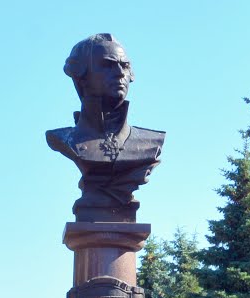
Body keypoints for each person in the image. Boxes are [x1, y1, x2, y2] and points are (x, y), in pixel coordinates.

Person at [46, 34, 165, 221]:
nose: (120, 73)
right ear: (81, 77)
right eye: (108, 65)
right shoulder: (64, 140)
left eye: (125, 65)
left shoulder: (149, 144)